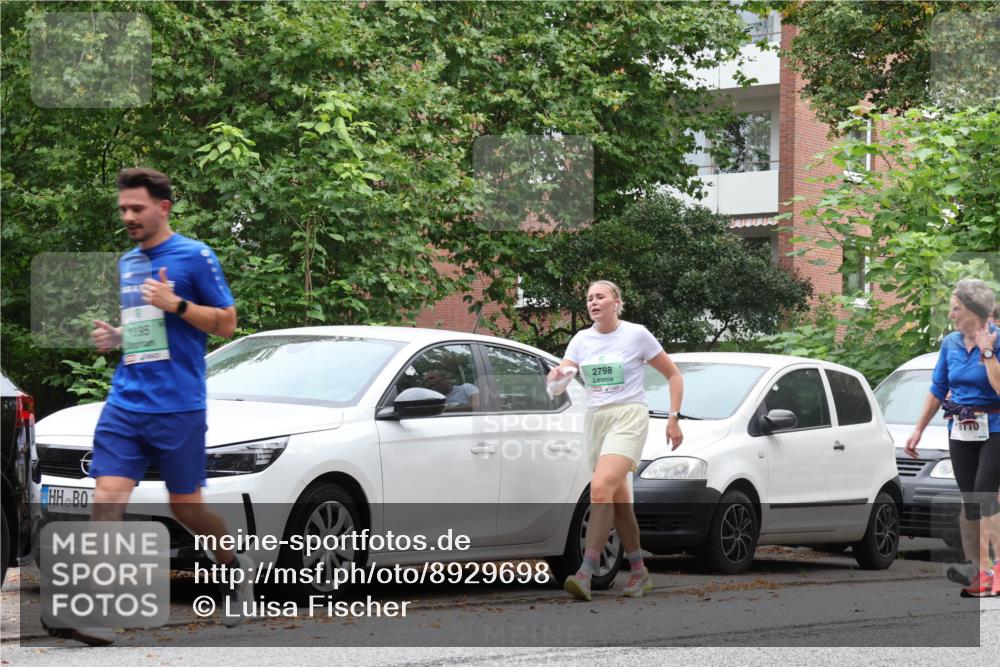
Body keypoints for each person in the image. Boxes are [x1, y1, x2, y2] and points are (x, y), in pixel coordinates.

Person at [52, 168, 254, 645]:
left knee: (186, 507)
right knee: (106, 499)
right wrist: (118, 337)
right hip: (126, 401)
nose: (128, 217)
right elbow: (150, 331)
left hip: (179, 406)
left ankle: (234, 567)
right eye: (123, 209)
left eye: (136, 208)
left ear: (163, 207)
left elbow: (226, 324)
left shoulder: (195, 256)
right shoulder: (127, 262)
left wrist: (176, 303)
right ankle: (93, 610)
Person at [548, 280, 683, 600]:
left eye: (600, 297)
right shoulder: (581, 340)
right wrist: (557, 378)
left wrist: (673, 419)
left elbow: (674, 375)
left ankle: (585, 572)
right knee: (619, 502)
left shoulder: (636, 334)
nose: (593, 302)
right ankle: (639, 571)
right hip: (596, 420)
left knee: (599, 488)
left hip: (628, 417)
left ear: (616, 303)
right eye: (589, 298)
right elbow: (558, 385)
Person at [905, 279, 1000, 598]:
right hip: (960, 428)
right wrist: (918, 428)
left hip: (996, 426)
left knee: (984, 493)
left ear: (974, 310)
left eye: (956, 308)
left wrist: (988, 350)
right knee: (969, 500)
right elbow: (937, 387)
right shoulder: (950, 344)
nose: (951, 313)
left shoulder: (998, 339)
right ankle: (976, 569)